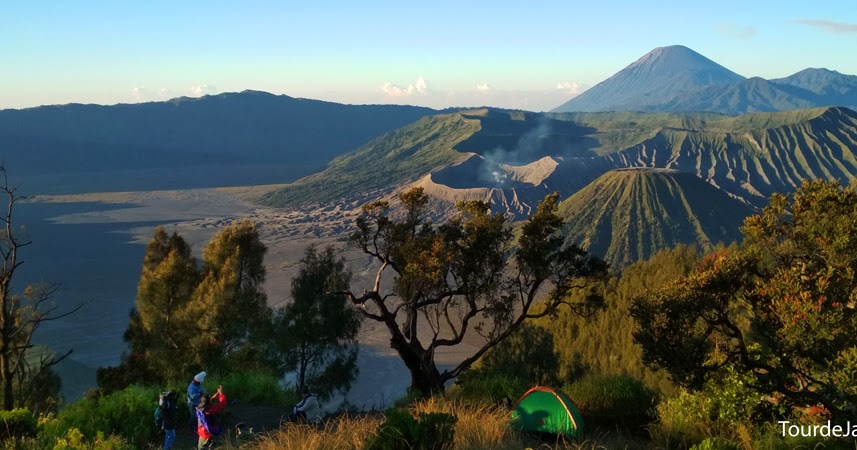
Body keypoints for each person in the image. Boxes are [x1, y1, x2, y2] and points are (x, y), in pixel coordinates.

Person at [196, 385, 227, 450]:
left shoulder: (198, 408)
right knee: (213, 447)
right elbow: (222, 403)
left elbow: (206, 403)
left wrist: (213, 397)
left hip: (203, 432)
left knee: (201, 448)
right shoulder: (213, 409)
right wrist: (221, 394)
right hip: (212, 432)